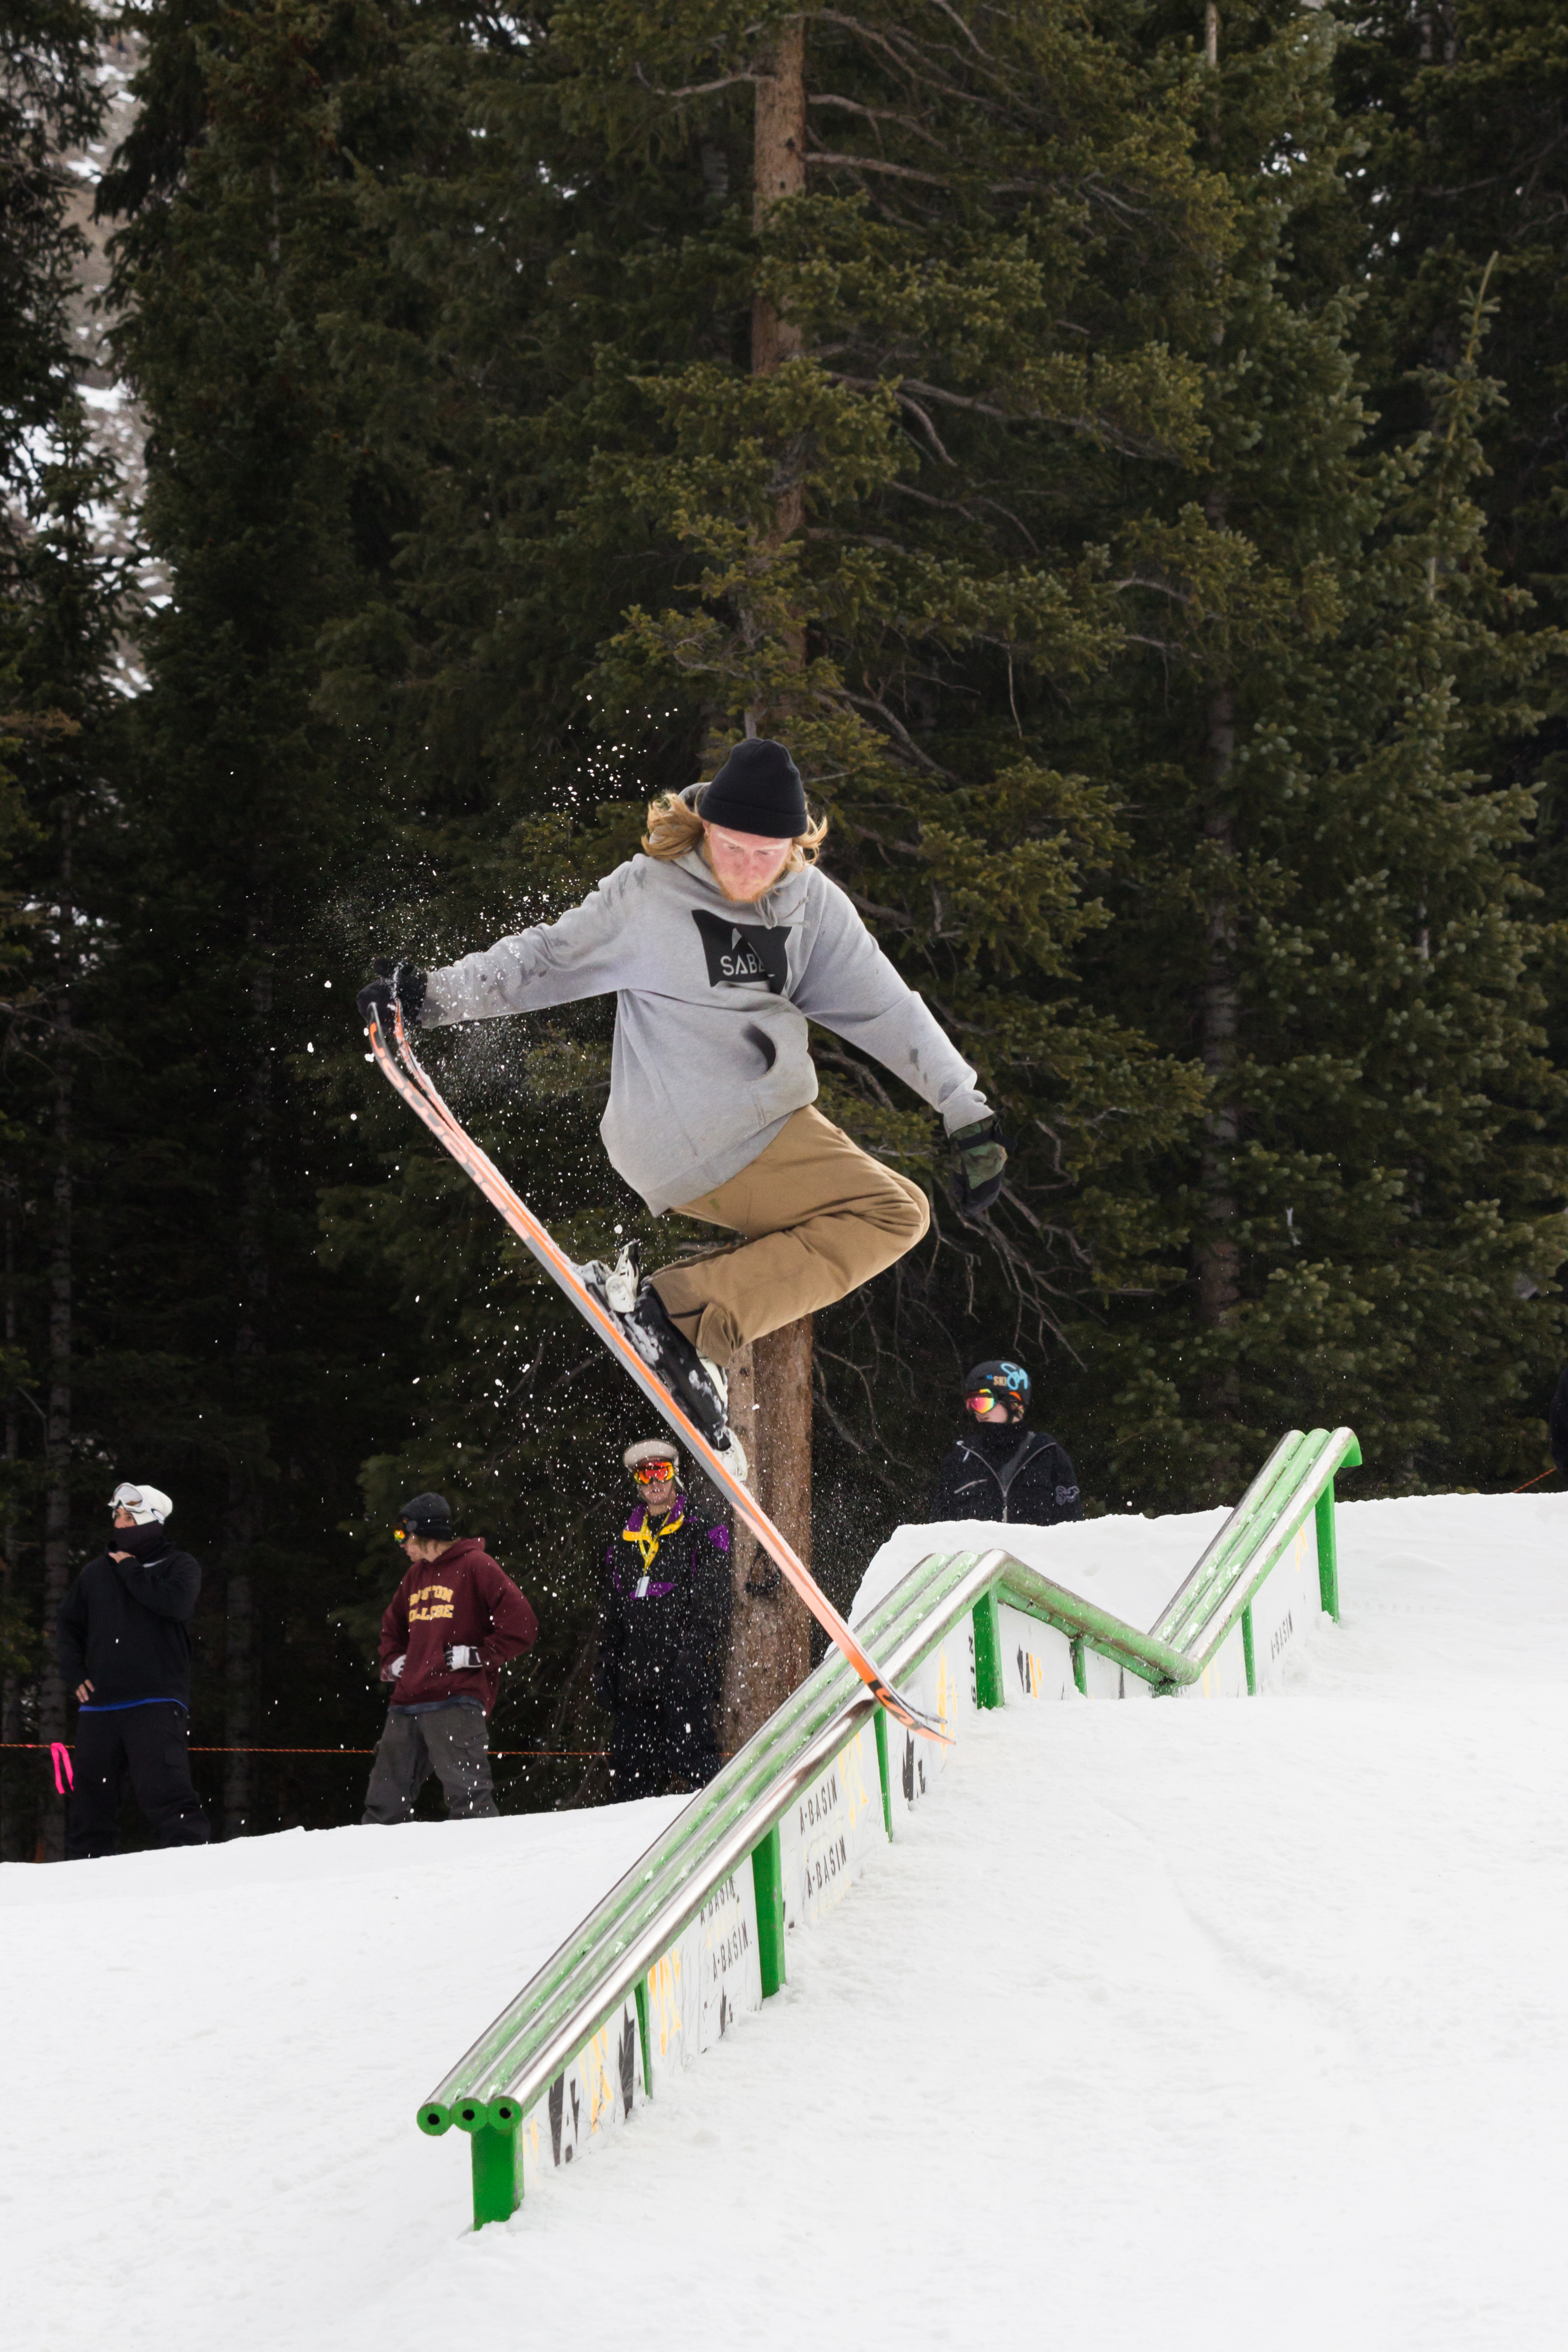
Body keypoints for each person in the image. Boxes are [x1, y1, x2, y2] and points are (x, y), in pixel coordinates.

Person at [358, 739, 1008, 1472]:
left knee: (884, 1211)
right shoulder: (651, 891)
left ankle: (686, 1319)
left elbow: (887, 1007)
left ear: (795, 847)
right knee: (893, 1214)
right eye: (733, 848)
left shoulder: (810, 908)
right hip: (692, 1124)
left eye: (769, 853)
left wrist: (964, 1110)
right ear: (705, 829)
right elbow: (546, 958)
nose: (748, 868)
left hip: (762, 1123)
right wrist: (431, 996)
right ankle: (682, 1317)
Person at [362, 1492, 539, 1824]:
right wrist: (393, 1661)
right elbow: (391, 1626)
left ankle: (480, 1867)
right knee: (383, 1803)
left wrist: (478, 1656)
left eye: (405, 1535)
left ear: (427, 1533)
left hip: (456, 1698)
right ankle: (377, 1867)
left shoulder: (476, 1565)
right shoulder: (414, 1577)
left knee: (468, 1799)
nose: (401, 1544)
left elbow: (523, 1624)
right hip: (407, 1700)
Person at [56, 1481, 210, 1859]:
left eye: (130, 1518)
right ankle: (83, 1875)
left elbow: (175, 1605)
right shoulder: (94, 1573)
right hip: (101, 1705)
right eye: (117, 1517)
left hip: (156, 1699)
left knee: (165, 1790)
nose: (121, 1525)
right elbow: (67, 1623)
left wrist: (131, 1571)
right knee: (90, 1800)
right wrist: (74, 1673)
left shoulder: (180, 1565)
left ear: (153, 1522)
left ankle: (191, 1865)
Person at [595, 1439, 733, 1800]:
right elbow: (611, 1609)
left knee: (696, 1771)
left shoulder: (701, 1528)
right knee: (630, 1780)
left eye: (662, 1472)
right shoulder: (623, 1539)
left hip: (682, 1678)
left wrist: (693, 1655)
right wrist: (606, 1662)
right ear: (636, 1481)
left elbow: (712, 1602)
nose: (655, 1481)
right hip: (635, 1683)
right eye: (646, 1473)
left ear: (674, 1475)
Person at [929, 1360, 1082, 1527]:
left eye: (982, 1402)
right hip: (980, 1553)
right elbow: (940, 1531)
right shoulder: (961, 1458)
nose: (976, 1412)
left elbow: (1071, 1528)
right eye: (971, 1404)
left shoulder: (1048, 1453)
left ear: (1013, 1402)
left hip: (1033, 1553)